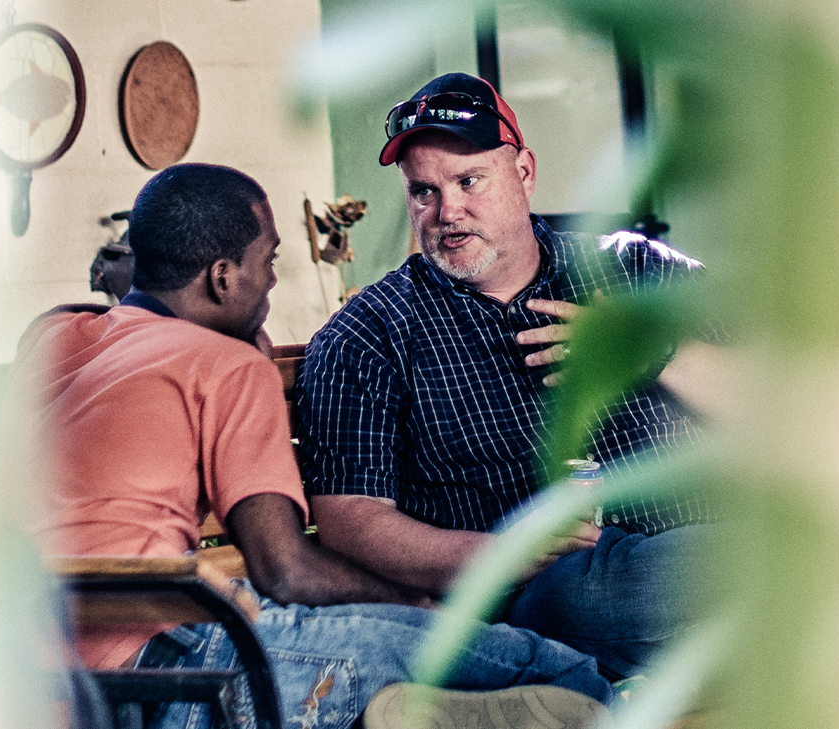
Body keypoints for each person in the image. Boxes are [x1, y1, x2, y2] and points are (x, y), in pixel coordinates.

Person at [8, 162, 620, 729]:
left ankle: (422, 712)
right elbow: (285, 570)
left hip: (33, 668)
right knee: (561, 673)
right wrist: (414, 601)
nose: (273, 281)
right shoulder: (226, 368)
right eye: (268, 261)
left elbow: (74, 318)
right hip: (169, 669)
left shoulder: (58, 337)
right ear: (223, 278)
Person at [297, 73, 716, 679]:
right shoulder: (367, 337)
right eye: (423, 191)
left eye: (469, 181)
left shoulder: (635, 268)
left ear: (524, 172)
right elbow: (349, 519)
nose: (448, 212)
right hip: (557, 595)